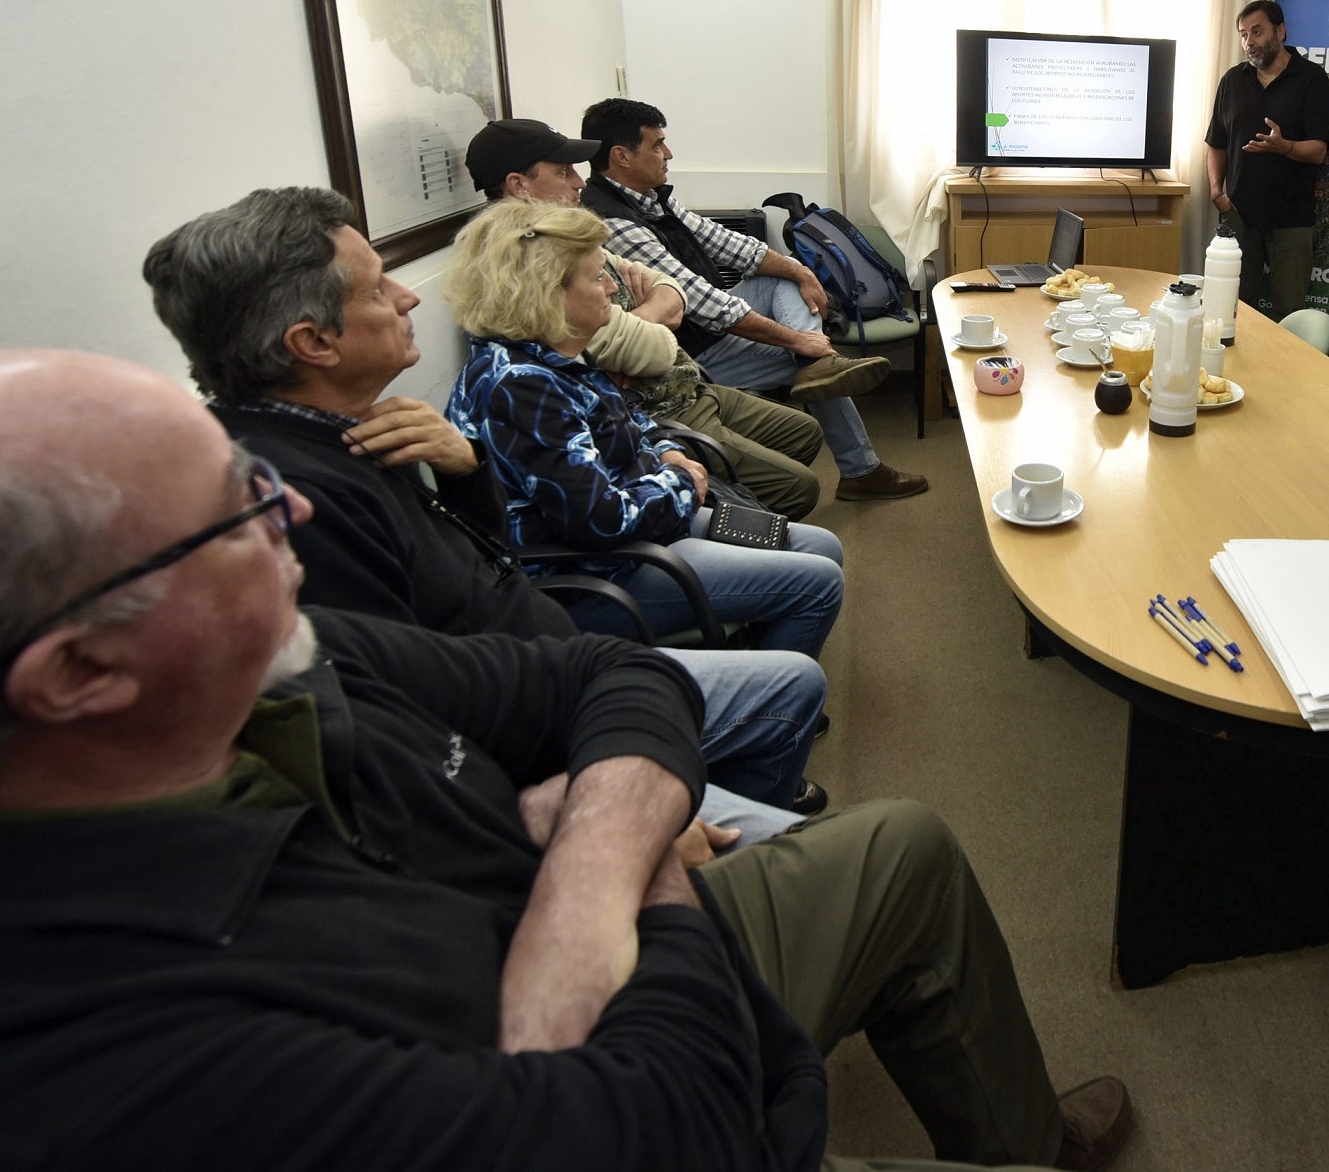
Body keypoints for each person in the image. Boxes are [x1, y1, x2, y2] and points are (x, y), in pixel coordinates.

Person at [0, 348, 1134, 1172]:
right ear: (76, 674)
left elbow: (607, 676)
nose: (297, 515)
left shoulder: (279, 660)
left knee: (904, 844)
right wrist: (657, 871)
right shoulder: (98, 1053)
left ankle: (1014, 1128)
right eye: (240, 507)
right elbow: (654, 1126)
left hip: (594, 927)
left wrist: (588, 880)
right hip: (663, 1099)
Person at [141, 188, 827, 829]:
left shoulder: (359, 432)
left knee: (799, 642)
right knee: (814, 689)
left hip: (564, 660)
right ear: (313, 342)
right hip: (555, 711)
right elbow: (417, 721)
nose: (411, 296)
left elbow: (480, 568)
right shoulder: (294, 505)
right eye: (379, 286)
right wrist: (618, 804)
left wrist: (467, 472)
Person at [443, 200, 849, 661]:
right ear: (546, 292)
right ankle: (762, 711)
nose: (612, 286)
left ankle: (759, 659)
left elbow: (633, 422)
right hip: (598, 576)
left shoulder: (555, 356)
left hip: (643, 529)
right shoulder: (522, 388)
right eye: (597, 276)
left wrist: (665, 450)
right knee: (819, 581)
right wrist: (679, 480)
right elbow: (603, 521)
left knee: (821, 545)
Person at [470, 117, 829, 519]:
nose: (579, 182)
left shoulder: (571, 233)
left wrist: (644, 316)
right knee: (798, 487)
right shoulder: (518, 266)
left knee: (805, 431)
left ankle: (735, 501)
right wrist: (655, 317)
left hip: (685, 383)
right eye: (563, 172)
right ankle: (731, 525)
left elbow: (671, 289)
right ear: (519, 185)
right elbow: (657, 349)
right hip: (654, 410)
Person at [579, 97, 927, 502]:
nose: (668, 153)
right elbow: (700, 301)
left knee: (785, 286)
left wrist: (801, 270)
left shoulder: (653, 197)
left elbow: (729, 243)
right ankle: (860, 467)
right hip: (692, 350)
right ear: (621, 156)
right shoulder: (612, 221)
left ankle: (818, 366)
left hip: (712, 324)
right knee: (814, 360)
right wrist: (798, 341)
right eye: (657, 144)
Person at [1205, 0, 1329, 317]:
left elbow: (1318, 150)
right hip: (1239, 215)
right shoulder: (1232, 80)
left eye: (1257, 31)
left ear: (1281, 31)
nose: (1249, 41)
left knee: (1290, 312)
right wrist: (1216, 191)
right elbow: (1216, 143)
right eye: (1243, 34)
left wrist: (1284, 146)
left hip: (1291, 220)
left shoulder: (1311, 79)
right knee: (1231, 308)